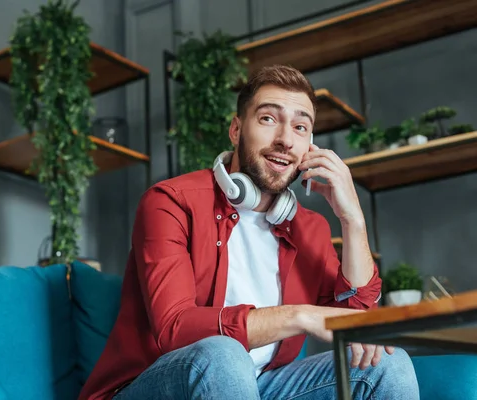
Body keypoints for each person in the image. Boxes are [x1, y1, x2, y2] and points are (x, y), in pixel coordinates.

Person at [79, 65, 420, 400]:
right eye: (269, 119)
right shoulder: (170, 202)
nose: (285, 140)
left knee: (387, 365)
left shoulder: (309, 227)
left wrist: (353, 219)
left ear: (310, 148)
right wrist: (300, 315)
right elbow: (175, 329)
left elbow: (357, 323)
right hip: (153, 385)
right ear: (236, 129)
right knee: (224, 355)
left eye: (300, 127)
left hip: (258, 386)